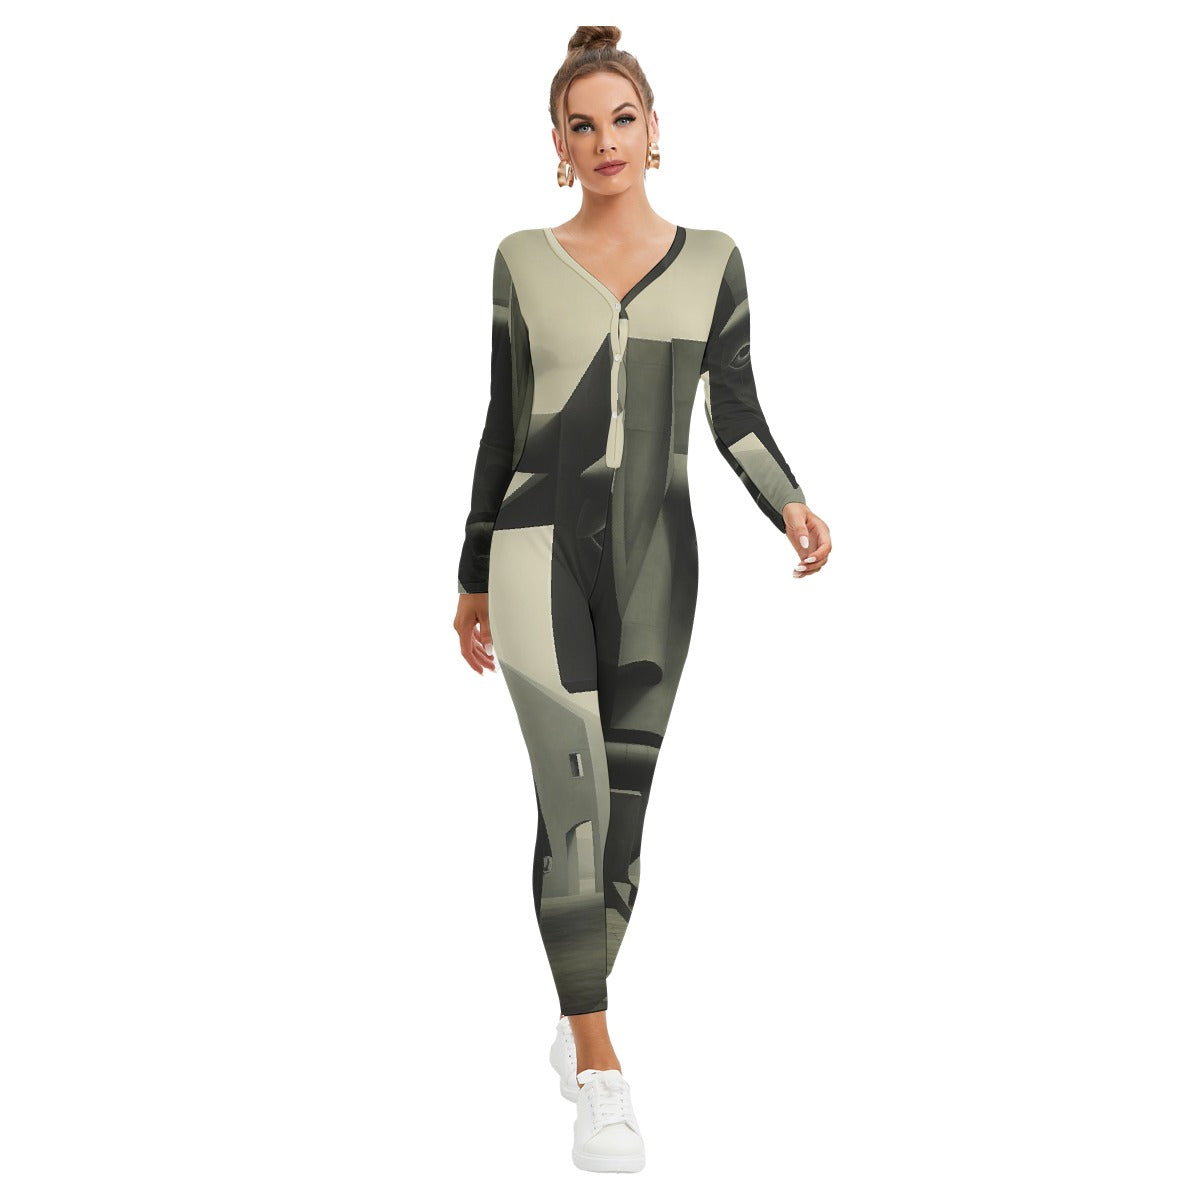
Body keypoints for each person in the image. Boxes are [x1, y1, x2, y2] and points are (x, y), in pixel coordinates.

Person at [452, 25, 832, 1173]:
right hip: (534, 553)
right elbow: (503, 423)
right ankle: (601, 1064)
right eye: (583, 125)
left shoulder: (714, 261)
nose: (606, 140)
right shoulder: (522, 260)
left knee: (620, 826)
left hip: (662, 568)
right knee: (572, 805)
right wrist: (471, 572)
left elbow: (737, 413)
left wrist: (791, 503)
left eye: (624, 119)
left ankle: (574, 1003)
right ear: (558, 144)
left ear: (655, 130)